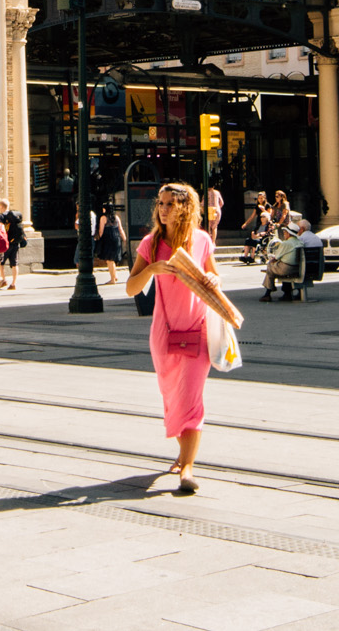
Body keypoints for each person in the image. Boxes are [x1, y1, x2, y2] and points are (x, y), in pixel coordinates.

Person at [125, 182, 223, 496]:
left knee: (191, 401)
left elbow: (215, 278)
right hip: (164, 334)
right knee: (173, 399)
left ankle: (188, 468)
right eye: (161, 204)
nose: (163, 210)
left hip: (198, 330)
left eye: (169, 204)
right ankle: (183, 455)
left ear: (185, 208)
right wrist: (151, 268)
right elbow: (131, 288)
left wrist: (213, 278)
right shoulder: (151, 243)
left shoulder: (202, 240)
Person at [95, 204, 127, 284]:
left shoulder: (103, 218)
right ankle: (115, 276)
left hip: (108, 239)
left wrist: (99, 239)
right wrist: (125, 239)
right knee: (113, 259)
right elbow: (121, 229)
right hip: (116, 238)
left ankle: (112, 279)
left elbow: (101, 231)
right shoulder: (117, 217)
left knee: (109, 260)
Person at [0, 198, 26, 290]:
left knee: (1, 263)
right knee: (15, 263)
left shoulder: (2, 216)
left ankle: (3, 280)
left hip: (6, 243)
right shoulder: (16, 215)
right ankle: (13, 283)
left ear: (2, 206)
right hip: (16, 242)